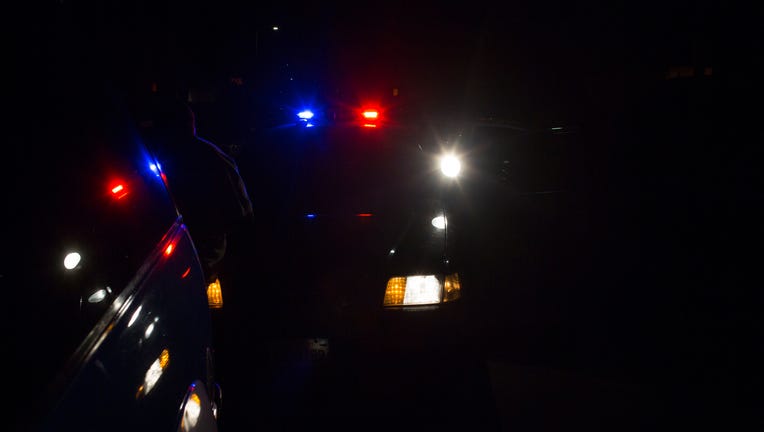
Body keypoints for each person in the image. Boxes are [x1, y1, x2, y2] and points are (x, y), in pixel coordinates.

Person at [135, 94, 254, 285]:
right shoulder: (162, 158)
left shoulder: (207, 158)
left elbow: (239, 213)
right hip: (174, 256)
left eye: (161, 127)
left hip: (201, 257)